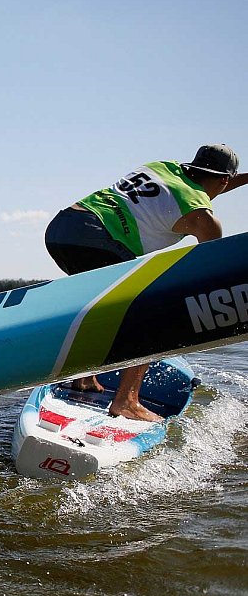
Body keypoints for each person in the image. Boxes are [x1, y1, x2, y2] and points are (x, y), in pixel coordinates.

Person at [45, 144, 246, 421]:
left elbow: (203, 184)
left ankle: (84, 377)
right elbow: (212, 270)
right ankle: (126, 401)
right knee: (150, 317)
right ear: (224, 180)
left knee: (94, 307)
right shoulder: (203, 218)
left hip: (63, 227)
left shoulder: (164, 167)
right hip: (96, 240)